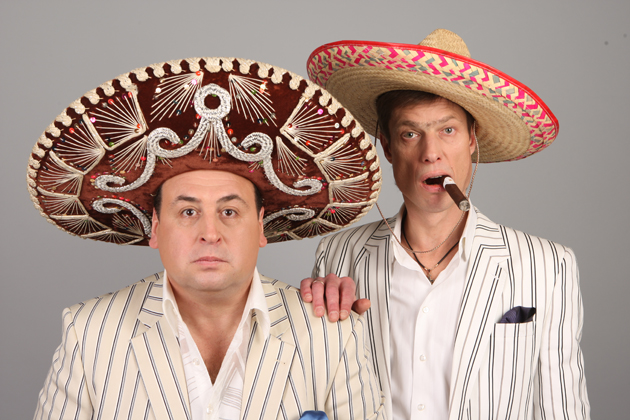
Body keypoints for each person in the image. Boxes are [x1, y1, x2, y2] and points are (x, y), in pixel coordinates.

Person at [29, 56, 386, 420]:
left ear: (260, 226)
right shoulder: (89, 331)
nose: (210, 234)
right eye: (188, 212)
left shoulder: (332, 334)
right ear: (155, 228)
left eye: (229, 212)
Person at [301, 29, 590, 419]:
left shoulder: (547, 266)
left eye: (447, 130)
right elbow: (316, 394)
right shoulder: (338, 255)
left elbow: (562, 408)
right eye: (410, 134)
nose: (431, 153)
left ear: (472, 139)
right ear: (387, 147)